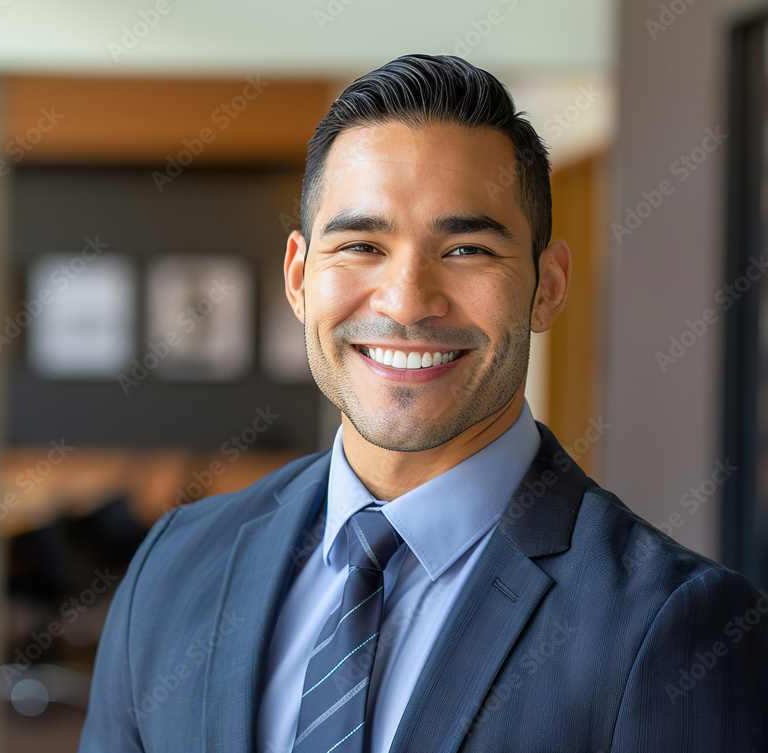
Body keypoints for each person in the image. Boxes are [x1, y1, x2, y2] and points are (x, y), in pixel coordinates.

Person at [77, 54, 768, 753]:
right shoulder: (173, 564)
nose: (407, 301)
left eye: (466, 248)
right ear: (298, 279)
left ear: (548, 286)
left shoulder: (674, 625)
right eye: (361, 244)